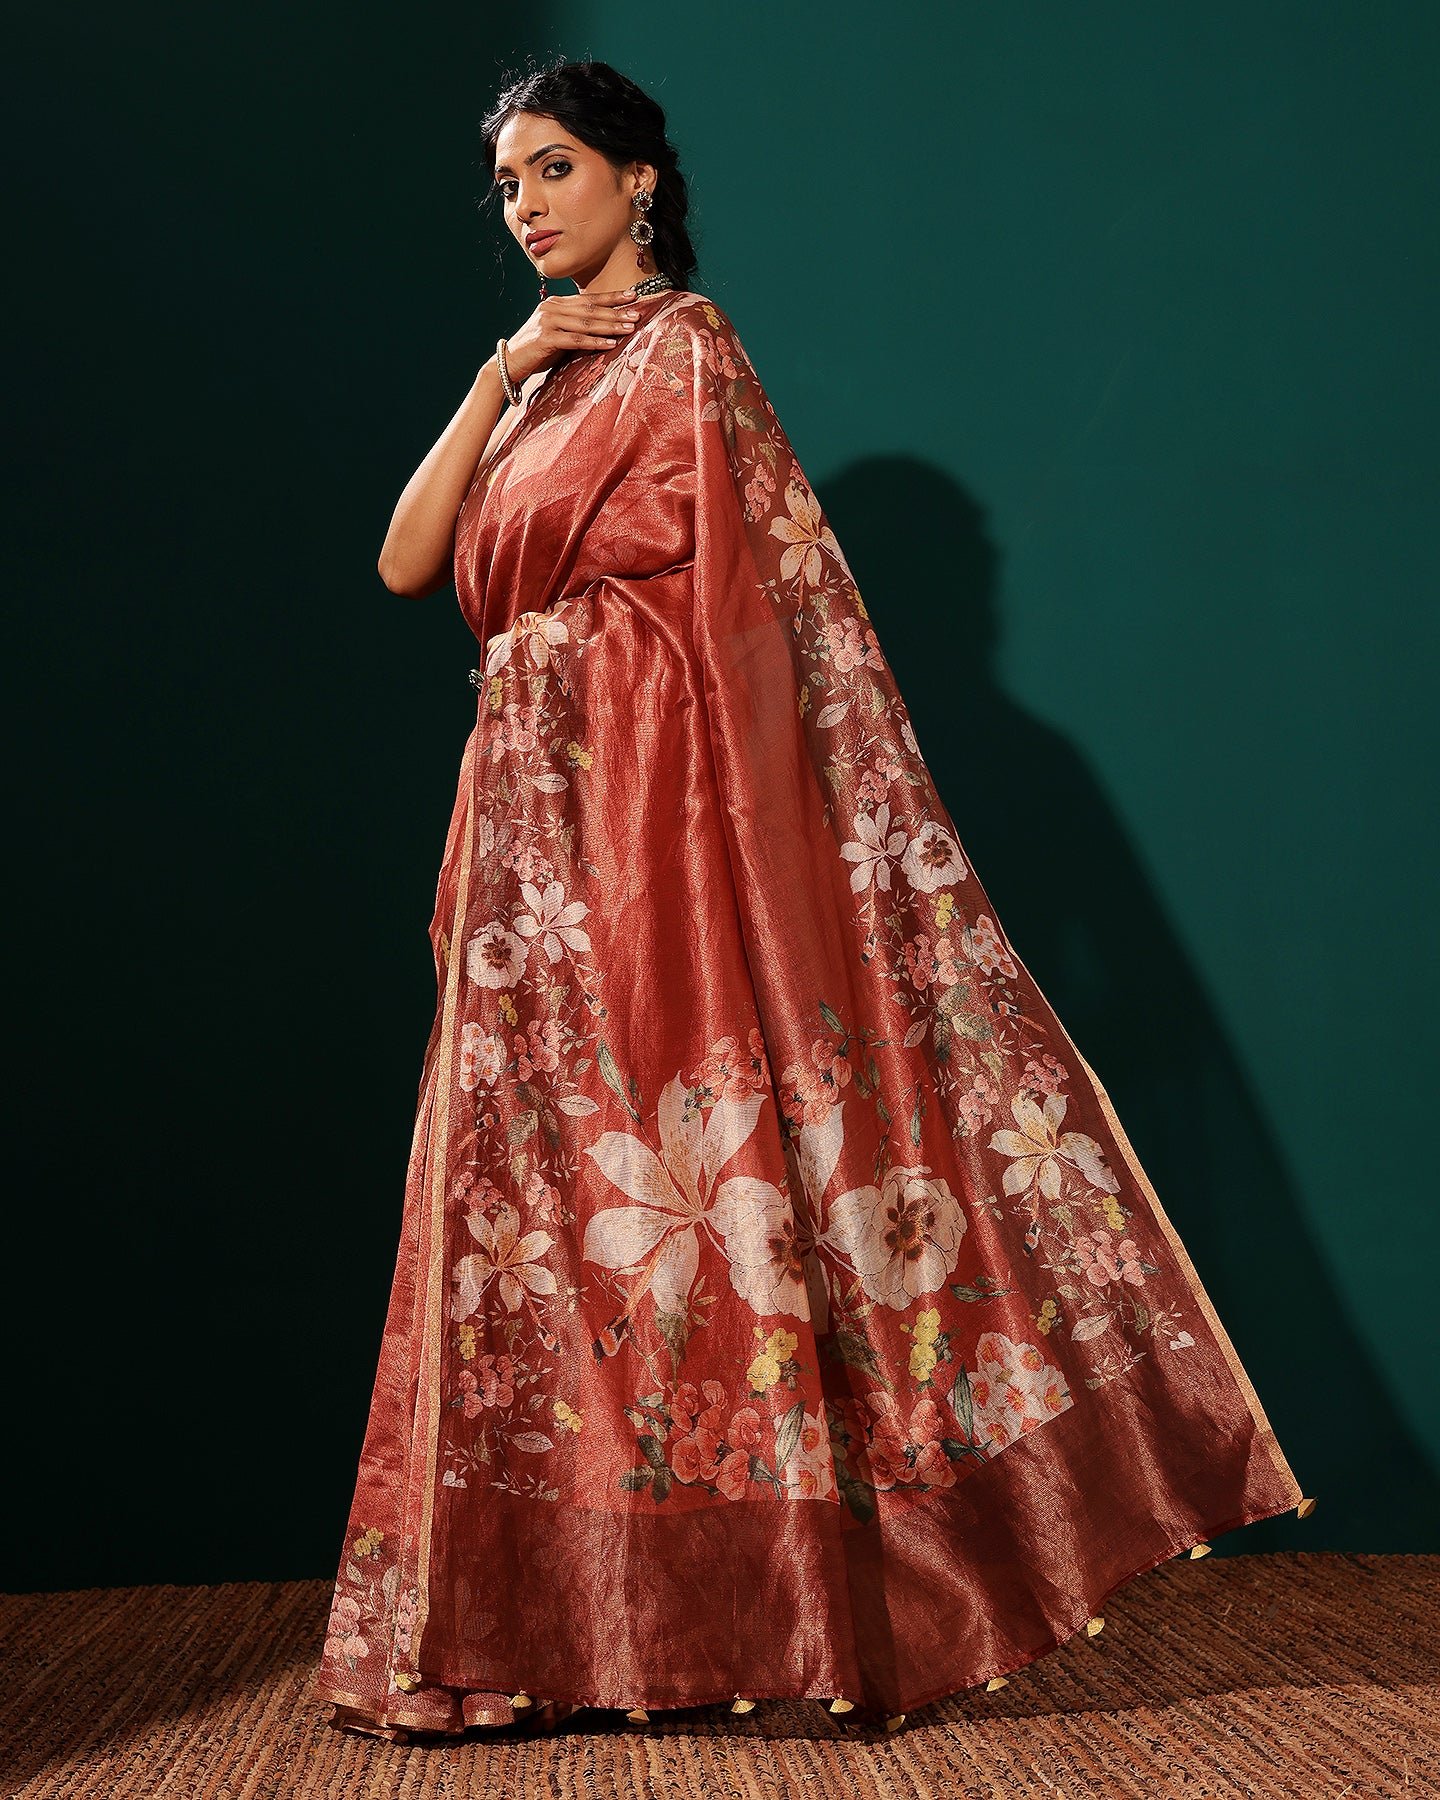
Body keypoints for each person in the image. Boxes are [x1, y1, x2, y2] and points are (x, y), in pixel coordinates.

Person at [313, 57, 1314, 1743]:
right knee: (528, 1219)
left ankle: (765, 1618)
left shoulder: (691, 359)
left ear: (643, 180)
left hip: (643, 852)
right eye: (508, 186)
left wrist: (687, 864)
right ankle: (533, 1630)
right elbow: (414, 563)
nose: (530, 205)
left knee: (668, 1193)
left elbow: (755, 646)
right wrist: (499, 374)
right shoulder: (551, 384)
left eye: (558, 168)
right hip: (526, 860)